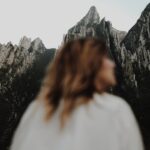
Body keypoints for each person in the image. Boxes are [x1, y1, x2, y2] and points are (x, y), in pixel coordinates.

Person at [10, 38, 144, 150]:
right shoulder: (116, 108)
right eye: (105, 59)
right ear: (90, 64)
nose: (112, 64)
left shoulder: (38, 108)